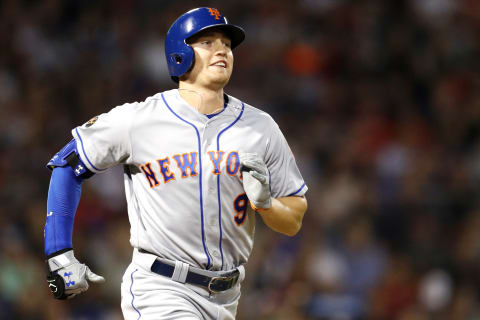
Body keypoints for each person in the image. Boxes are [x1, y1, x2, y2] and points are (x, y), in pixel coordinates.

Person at [44, 7, 308, 319]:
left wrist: (266, 206)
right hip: (160, 287)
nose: (222, 49)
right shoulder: (140, 119)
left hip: (228, 297)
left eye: (226, 43)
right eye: (207, 42)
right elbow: (67, 164)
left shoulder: (260, 127)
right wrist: (59, 253)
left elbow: (293, 218)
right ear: (179, 53)